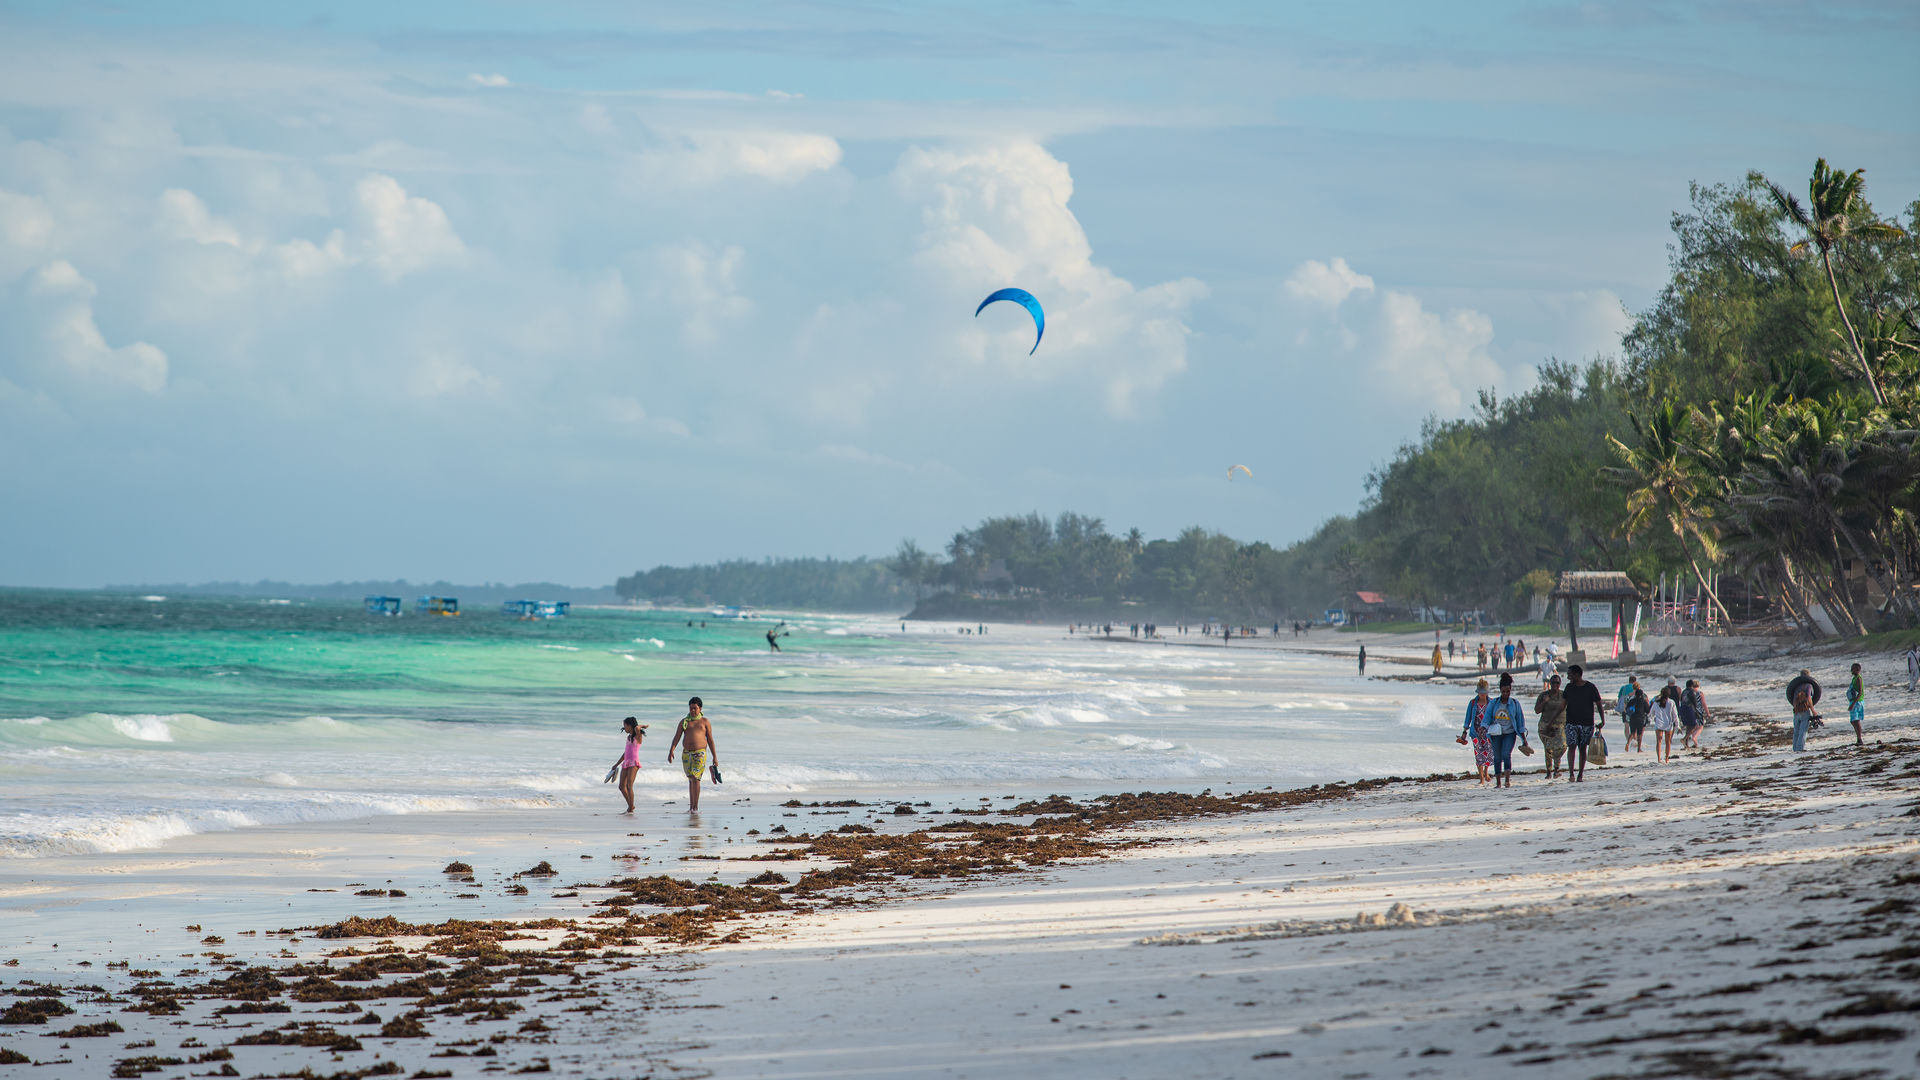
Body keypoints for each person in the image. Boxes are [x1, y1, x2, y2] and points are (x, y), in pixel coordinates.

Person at [667, 696, 719, 812]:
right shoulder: (684, 721)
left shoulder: (705, 721)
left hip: (699, 753)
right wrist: (671, 750)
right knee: (691, 779)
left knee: (696, 779)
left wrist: (715, 757)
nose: (693, 711)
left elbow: (710, 740)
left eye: (695, 708)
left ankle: (696, 807)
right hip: (686, 754)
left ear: (700, 708)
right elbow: (677, 736)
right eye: (691, 708)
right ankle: (691, 807)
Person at [1485, 672, 1531, 788]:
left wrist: (1524, 739)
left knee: (1506, 754)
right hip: (1496, 734)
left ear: (1510, 690)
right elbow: (1486, 718)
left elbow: (1520, 722)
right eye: (1503, 691)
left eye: (1508, 691)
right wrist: (1483, 729)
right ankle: (1498, 783)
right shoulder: (1494, 703)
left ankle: (1507, 780)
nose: (1505, 694)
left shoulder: (1515, 704)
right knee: (1497, 757)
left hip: (1510, 734)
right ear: (1500, 691)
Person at [1561, 664, 1605, 782]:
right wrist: (1551, 721)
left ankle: (1580, 774)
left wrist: (1603, 720)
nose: (1568, 677)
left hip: (1587, 723)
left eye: (1570, 675)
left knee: (1582, 748)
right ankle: (1571, 774)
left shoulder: (1591, 687)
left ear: (1577, 675)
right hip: (1571, 722)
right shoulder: (1569, 687)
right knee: (1571, 746)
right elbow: (1562, 706)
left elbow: (1599, 704)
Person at [1459, 678, 1494, 785]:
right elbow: (1468, 717)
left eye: (1484, 693)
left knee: (1488, 753)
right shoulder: (1473, 703)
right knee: (1478, 754)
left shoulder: (1492, 702)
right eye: (1480, 693)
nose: (1482, 695)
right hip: (1475, 732)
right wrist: (1464, 732)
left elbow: (1495, 718)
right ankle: (1481, 778)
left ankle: (1486, 772)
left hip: (1488, 732)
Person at [1535, 674, 1567, 780]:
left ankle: (1556, 767)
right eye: (1553, 683)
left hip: (1561, 725)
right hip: (1545, 725)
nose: (1555, 685)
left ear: (1560, 684)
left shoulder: (1563, 695)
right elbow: (1537, 710)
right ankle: (1550, 771)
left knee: (1563, 746)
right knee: (1548, 749)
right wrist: (1544, 702)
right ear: (1550, 684)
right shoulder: (1544, 695)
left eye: (1557, 683)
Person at [611, 717, 645, 814]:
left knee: (629, 786)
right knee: (621, 786)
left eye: (625, 725)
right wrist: (616, 764)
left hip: (634, 763)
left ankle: (630, 809)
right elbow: (626, 752)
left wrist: (643, 726)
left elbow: (637, 728)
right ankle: (631, 805)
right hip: (626, 762)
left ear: (630, 725)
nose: (624, 727)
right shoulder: (628, 737)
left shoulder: (638, 736)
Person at [1787, 669, 1819, 752]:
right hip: (1805, 710)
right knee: (1803, 731)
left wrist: (1795, 708)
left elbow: (1793, 698)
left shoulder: (1796, 686)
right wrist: (1813, 710)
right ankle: (1800, 749)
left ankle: (1795, 749)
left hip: (1796, 710)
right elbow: (1809, 698)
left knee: (1796, 731)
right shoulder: (1808, 685)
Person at [1648, 685, 1679, 763]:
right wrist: (1677, 725)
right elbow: (1675, 715)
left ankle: (1659, 759)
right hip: (1668, 725)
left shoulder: (1656, 702)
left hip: (1659, 724)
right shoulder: (1671, 702)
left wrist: (1650, 720)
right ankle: (1667, 759)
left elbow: (1651, 713)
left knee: (1659, 742)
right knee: (1668, 742)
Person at [1680, 679, 1708, 749]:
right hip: (1689, 709)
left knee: (1688, 726)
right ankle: (1684, 738)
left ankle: (1686, 744)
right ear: (1692, 685)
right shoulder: (1691, 692)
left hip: (1682, 709)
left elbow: (1680, 700)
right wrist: (1697, 713)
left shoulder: (1684, 691)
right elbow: (1694, 703)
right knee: (1694, 725)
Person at [1846, 662, 1866, 747]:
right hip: (1854, 701)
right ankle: (1858, 738)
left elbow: (1860, 692)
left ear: (1857, 670)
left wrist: (1853, 704)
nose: (1851, 670)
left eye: (1853, 669)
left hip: (1857, 702)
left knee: (1856, 721)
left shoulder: (1858, 678)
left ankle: (1859, 739)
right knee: (1853, 721)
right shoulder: (1854, 678)